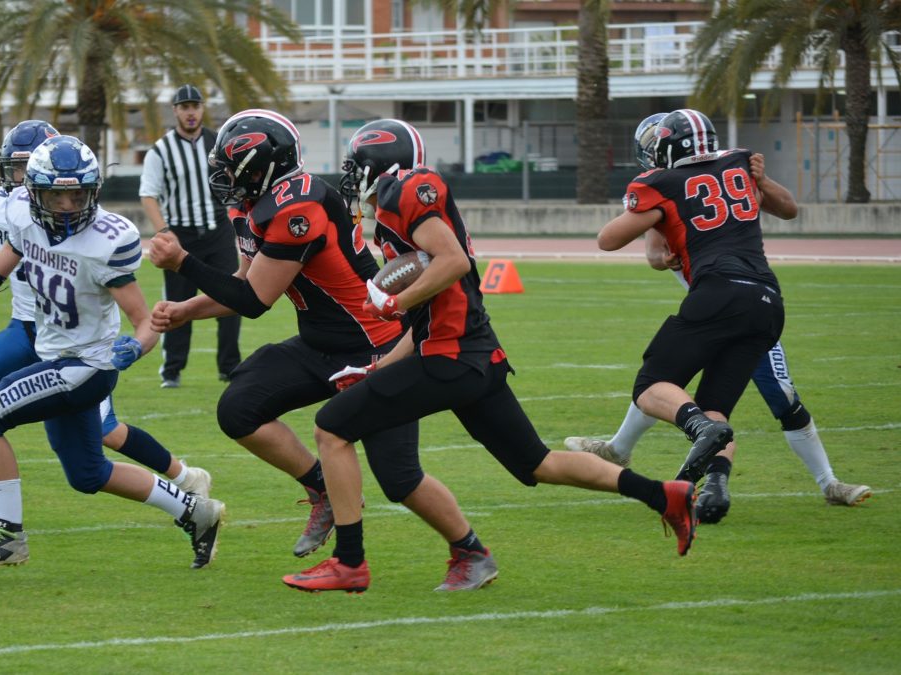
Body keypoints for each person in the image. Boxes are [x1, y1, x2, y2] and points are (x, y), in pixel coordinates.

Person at [281, 118, 701, 594]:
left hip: (452, 358)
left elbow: (454, 261)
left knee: (331, 427)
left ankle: (349, 562)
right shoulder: (396, 208)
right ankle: (663, 495)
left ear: (382, 160)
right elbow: (426, 320)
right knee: (538, 463)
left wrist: (395, 300)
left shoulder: (407, 189)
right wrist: (377, 366)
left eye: (358, 164)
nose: (353, 176)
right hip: (471, 354)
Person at [148, 109, 497, 591]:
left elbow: (254, 301)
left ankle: (470, 551)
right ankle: (322, 489)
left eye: (231, 166)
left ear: (260, 165)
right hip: (320, 342)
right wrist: (187, 310)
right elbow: (244, 283)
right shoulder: (253, 204)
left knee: (398, 476)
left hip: (373, 344)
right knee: (239, 408)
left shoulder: (299, 206)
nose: (223, 177)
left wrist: (183, 262)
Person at [0, 120, 210, 532]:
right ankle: (195, 507)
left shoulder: (104, 239)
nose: (64, 204)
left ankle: (8, 535)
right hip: (39, 337)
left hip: (85, 360)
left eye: (75, 194)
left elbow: (143, 319)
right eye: (51, 192)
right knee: (86, 473)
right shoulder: (20, 216)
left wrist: (135, 345)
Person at [565, 113, 871, 520]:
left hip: (718, 299)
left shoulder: (662, 185)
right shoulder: (736, 165)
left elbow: (608, 240)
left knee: (659, 383)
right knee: (712, 407)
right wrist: (662, 257)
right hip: (764, 301)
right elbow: (658, 250)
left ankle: (827, 481)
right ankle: (711, 483)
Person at [140, 84, 241, 388]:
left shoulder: (219, 143)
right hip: (181, 234)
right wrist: (165, 232)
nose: (191, 112)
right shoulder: (161, 150)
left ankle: (230, 367)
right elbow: (148, 194)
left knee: (232, 298)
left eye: (195, 106)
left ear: (202, 108)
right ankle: (172, 370)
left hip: (218, 229)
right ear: (175, 111)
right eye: (184, 107)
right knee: (178, 303)